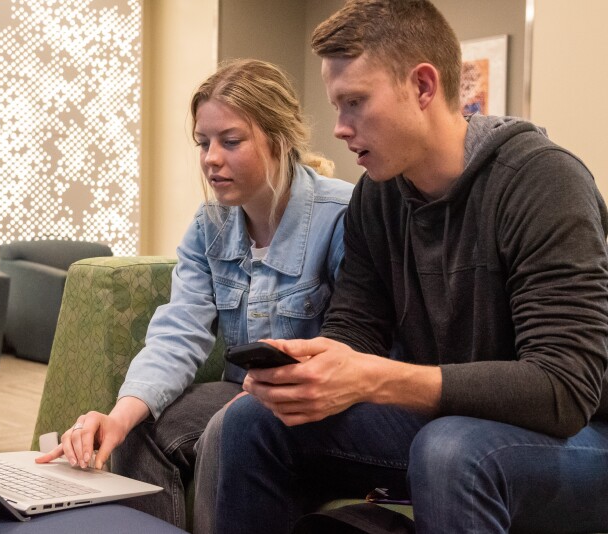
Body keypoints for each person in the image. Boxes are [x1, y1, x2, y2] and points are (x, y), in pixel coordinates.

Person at [208, 1, 608, 533]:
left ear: (422, 87)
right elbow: (357, 328)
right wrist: (313, 367)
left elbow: (564, 389)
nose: (340, 128)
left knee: (452, 449)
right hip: (454, 425)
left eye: (355, 103)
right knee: (251, 420)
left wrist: (377, 378)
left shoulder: (544, 182)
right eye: (337, 106)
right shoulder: (377, 196)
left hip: (578, 435)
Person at [36, 58, 355, 531]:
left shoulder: (342, 215)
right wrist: (120, 415)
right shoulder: (210, 225)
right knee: (137, 428)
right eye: (203, 143)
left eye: (230, 141)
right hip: (239, 390)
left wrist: (259, 400)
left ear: (280, 138)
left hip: (319, 404)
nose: (210, 158)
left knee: (232, 432)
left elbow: (353, 344)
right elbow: (178, 330)